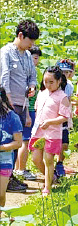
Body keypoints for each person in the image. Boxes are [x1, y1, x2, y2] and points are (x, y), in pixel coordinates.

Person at [0, 20, 39, 193]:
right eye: (30, 41)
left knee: (16, 142)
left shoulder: (28, 56)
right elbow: (4, 79)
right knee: (7, 142)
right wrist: (7, 105)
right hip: (8, 105)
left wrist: (32, 86)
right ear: (21, 36)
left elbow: (32, 76)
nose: (32, 45)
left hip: (22, 104)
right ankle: (5, 179)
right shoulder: (6, 53)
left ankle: (9, 177)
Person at [29, 66, 70, 196]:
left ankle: (47, 187)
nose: (47, 85)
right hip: (39, 131)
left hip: (52, 133)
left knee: (48, 159)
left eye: (51, 82)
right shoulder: (41, 93)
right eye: (45, 81)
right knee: (36, 159)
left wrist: (50, 122)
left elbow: (64, 116)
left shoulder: (62, 96)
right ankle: (51, 177)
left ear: (59, 81)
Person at [15, 45, 42, 181]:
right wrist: (27, 115)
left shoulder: (29, 71)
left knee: (21, 140)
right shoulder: (27, 73)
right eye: (35, 58)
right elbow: (26, 97)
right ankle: (21, 169)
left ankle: (18, 168)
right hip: (27, 110)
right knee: (24, 141)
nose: (36, 61)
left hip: (27, 109)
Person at [0, 87, 23, 208]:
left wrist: (1, 147)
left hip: (5, 159)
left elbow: (18, 143)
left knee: (1, 195)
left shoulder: (12, 117)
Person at [55, 59, 75, 177]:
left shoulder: (70, 86)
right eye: (62, 72)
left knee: (65, 142)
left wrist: (70, 116)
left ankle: (60, 163)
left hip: (65, 116)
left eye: (67, 72)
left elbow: (69, 100)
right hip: (54, 115)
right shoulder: (53, 83)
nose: (65, 74)